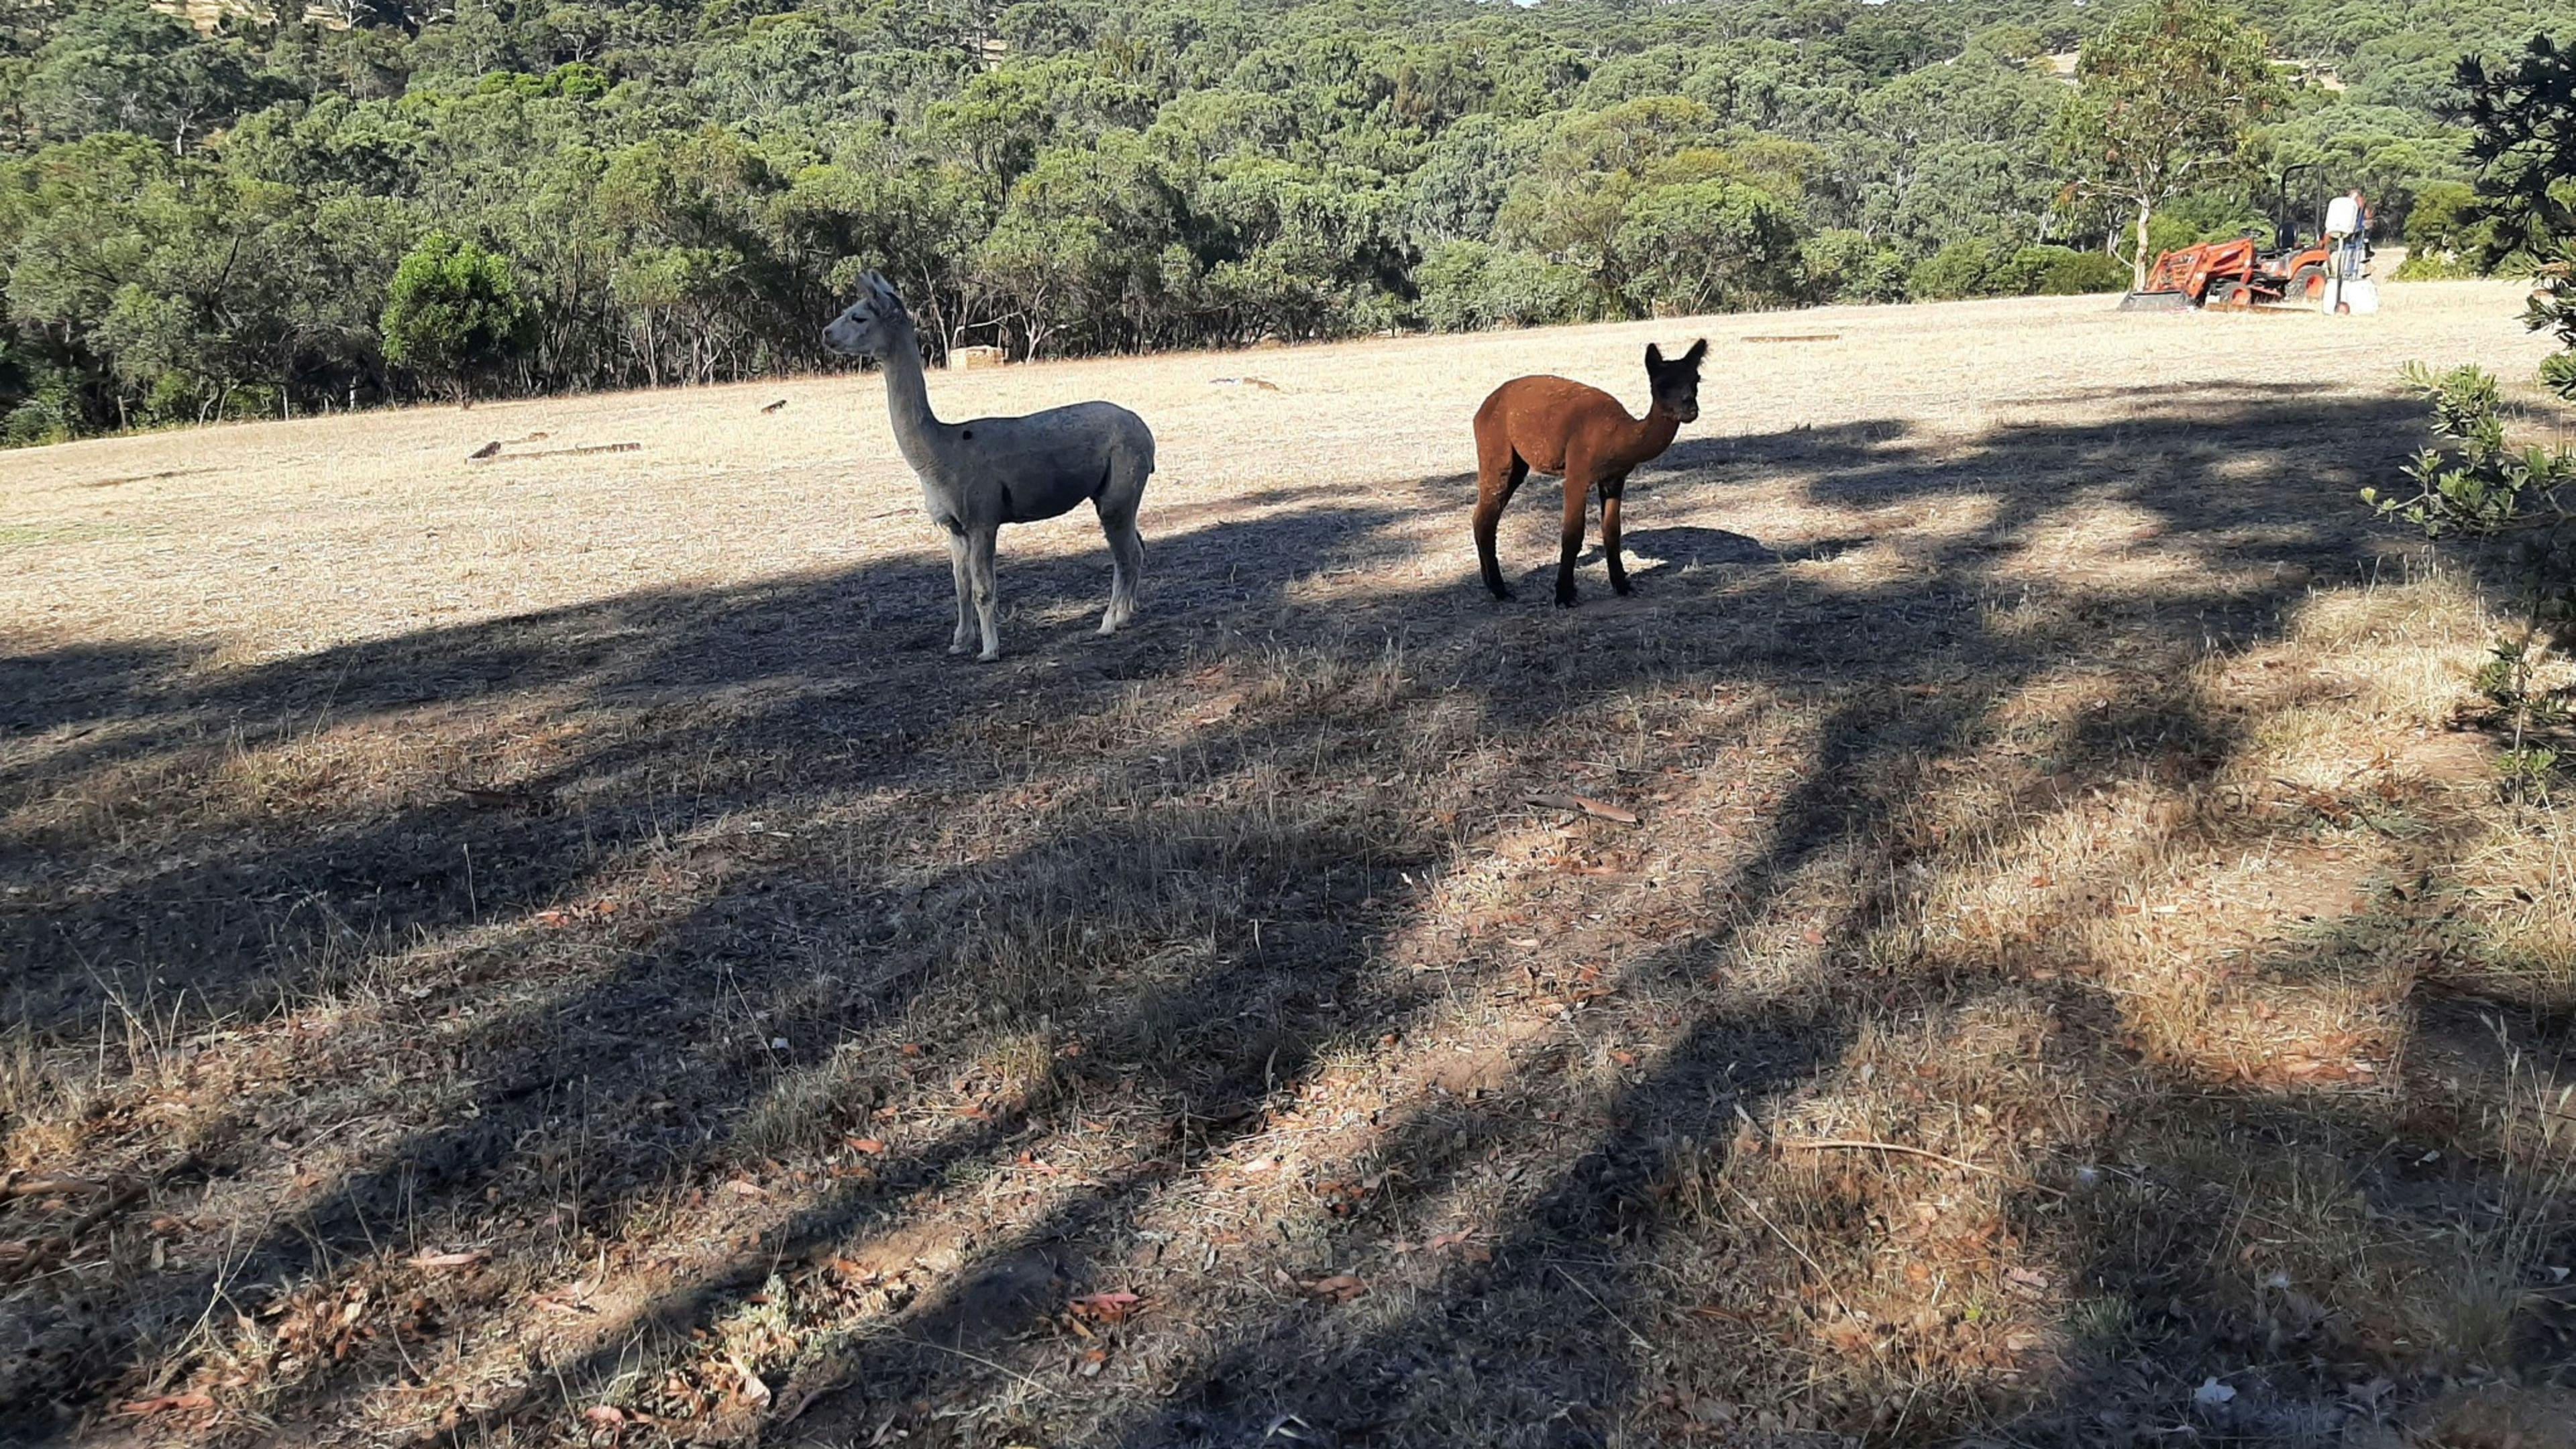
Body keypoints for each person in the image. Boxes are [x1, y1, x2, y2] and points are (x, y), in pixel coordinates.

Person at [2324, 188, 2369, 279]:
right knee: (2350, 250)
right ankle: (2348, 272)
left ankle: (2349, 272)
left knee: (2353, 250)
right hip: (2350, 229)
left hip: (2353, 229)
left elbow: (2365, 213)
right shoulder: (2352, 203)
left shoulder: (2353, 202)